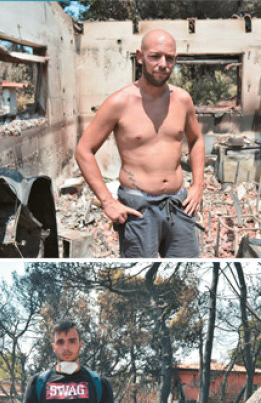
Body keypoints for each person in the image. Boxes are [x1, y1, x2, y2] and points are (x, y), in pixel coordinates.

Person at [75, 29, 205, 258]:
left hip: (179, 204)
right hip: (138, 208)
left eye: (170, 58)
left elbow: (196, 140)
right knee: (137, 280)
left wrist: (198, 186)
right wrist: (107, 201)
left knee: (186, 275)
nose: (163, 64)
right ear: (140, 56)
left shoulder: (182, 100)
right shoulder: (119, 102)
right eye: (155, 56)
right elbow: (84, 150)